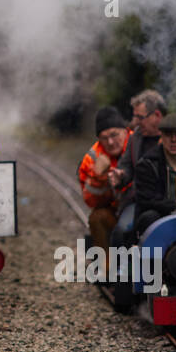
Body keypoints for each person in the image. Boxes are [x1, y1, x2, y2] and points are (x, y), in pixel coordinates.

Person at [106, 89, 166, 244]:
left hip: (166, 200)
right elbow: (126, 166)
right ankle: (120, 267)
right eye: (135, 117)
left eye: (140, 117)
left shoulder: (173, 138)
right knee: (121, 231)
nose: (136, 122)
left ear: (157, 115)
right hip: (140, 201)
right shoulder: (136, 138)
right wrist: (120, 175)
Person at [77, 106, 130, 251]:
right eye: (105, 138)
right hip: (115, 213)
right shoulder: (92, 158)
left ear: (124, 131)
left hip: (138, 210)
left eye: (114, 135)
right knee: (97, 217)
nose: (111, 142)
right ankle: (106, 266)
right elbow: (90, 201)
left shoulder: (137, 143)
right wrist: (98, 176)